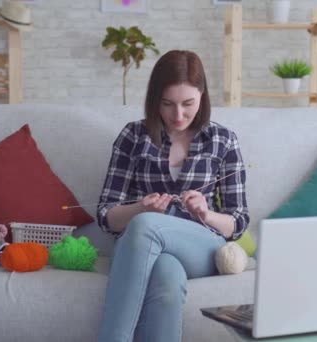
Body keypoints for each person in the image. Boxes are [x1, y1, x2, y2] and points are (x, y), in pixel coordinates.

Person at [96, 50, 250, 342]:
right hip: (142, 250)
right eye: (167, 104)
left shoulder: (223, 140)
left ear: (202, 96)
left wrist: (206, 214)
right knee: (166, 278)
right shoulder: (133, 137)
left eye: (187, 103)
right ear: (155, 100)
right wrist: (139, 208)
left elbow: (238, 222)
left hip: (201, 246)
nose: (178, 115)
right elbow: (106, 216)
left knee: (145, 225)